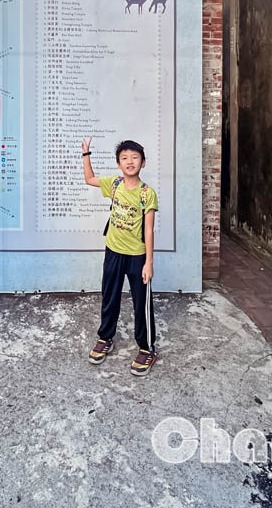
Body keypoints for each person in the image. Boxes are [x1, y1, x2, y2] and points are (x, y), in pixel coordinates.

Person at [81, 138, 159, 376]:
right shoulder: (115, 184)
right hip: (113, 251)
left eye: (135, 158)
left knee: (141, 303)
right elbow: (89, 179)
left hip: (137, 256)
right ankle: (105, 338)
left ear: (143, 163)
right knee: (110, 296)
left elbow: (148, 230)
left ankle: (147, 349)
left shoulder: (147, 194)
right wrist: (86, 154)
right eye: (124, 158)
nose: (130, 162)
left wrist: (149, 262)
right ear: (119, 164)